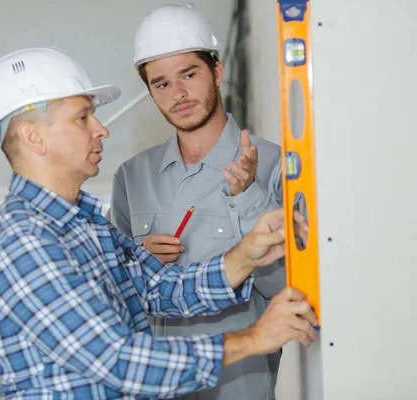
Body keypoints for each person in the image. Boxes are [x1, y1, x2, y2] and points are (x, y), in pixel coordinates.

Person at [0, 46, 316, 400]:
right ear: (33, 136)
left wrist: (245, 255)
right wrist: (255, 338)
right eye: (83, 118)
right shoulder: (23, 241)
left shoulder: (85, 226)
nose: (101, 129)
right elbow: (119, 361)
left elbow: (157, 287)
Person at [109, 5, 287, 399]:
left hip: (242, 388)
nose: (179, 95)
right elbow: (111, 302)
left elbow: (287, 290)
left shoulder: (276, 165)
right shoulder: (131, 177)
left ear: (217, 72)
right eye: (162, 84)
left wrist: (249, 198)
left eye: (189, 74)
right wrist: (137, 260)